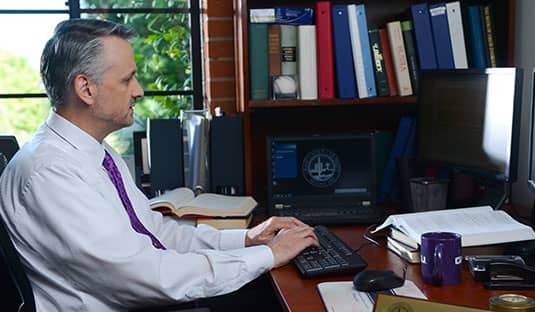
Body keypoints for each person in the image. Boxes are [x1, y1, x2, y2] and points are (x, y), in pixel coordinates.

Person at [0, 18, 318, 311]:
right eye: (127, 80)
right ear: (86, 88)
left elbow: (154, 231)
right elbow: (145, 275)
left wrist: (247, 239)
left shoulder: (95, 153)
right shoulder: (50, 173)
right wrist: (269, 254)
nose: (139, 90)